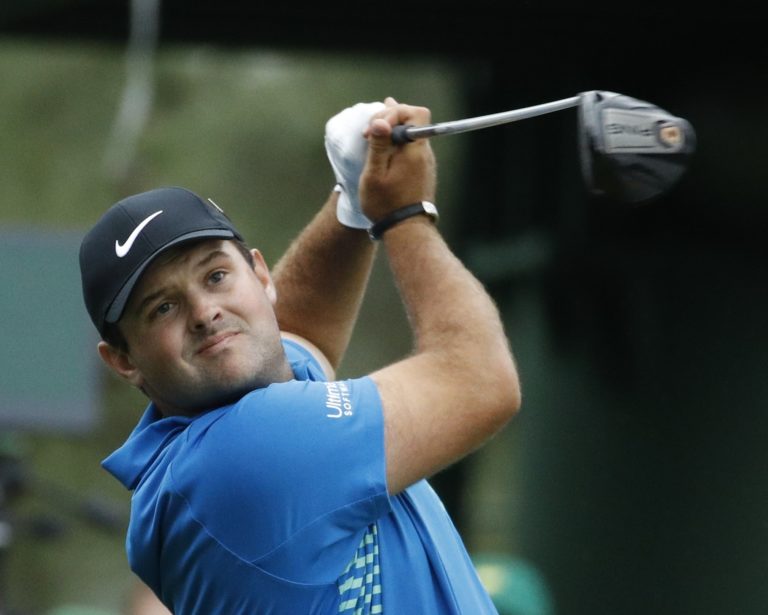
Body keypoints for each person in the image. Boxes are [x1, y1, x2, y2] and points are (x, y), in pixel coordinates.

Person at [80, 97, 521, 614]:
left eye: (216, 276)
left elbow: (296, 334)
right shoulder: (249, 452)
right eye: (163, 308)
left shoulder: (209, 434)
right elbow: (479, 383)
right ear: (123, 360)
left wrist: (352, 203)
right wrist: (403, 214)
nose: (205, 313)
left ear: (262, 276)